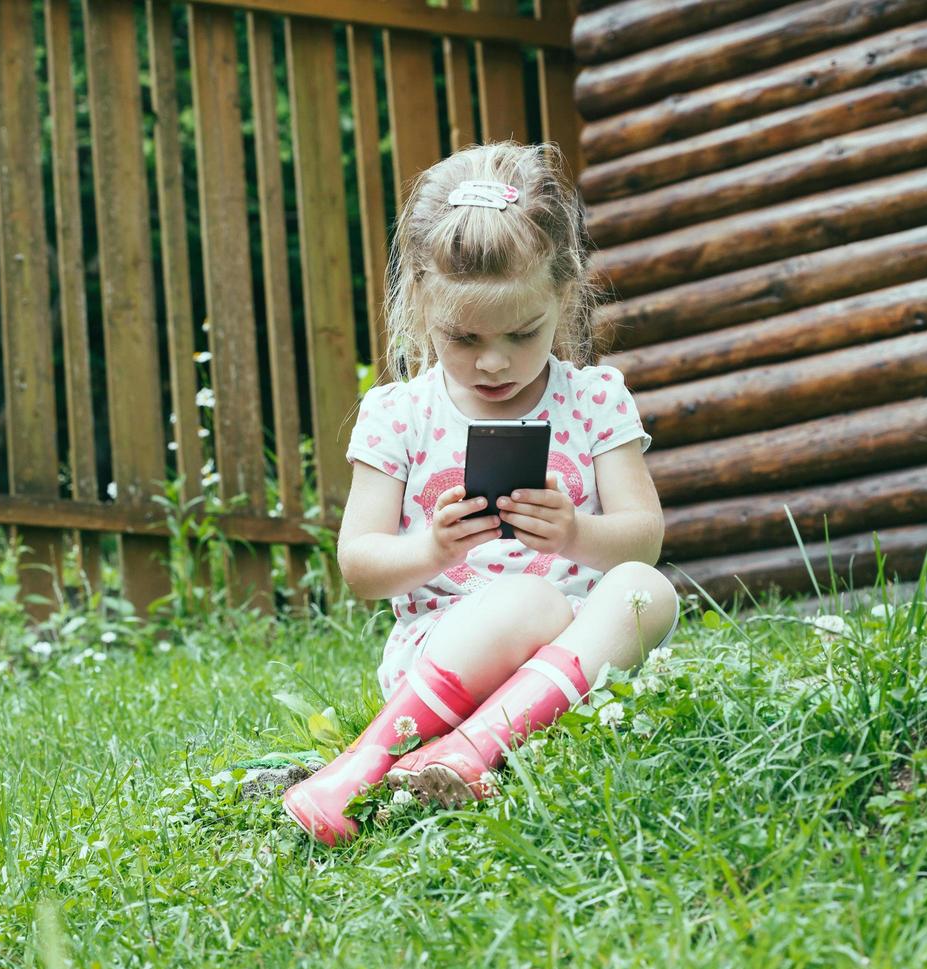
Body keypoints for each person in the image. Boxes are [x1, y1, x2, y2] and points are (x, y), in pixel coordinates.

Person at [283, 141, 681, 846]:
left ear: (565, 296)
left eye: (522, 334)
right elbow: (360, 566)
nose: (493, 361)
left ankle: (467, 754)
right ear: (420, 304)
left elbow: (643, 536)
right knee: (531, 599)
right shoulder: (399, 413)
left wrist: (575, 536)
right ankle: (371, 759)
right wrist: (431, 547)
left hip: (576, 652)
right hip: (448, 657)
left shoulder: (593, 400)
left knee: (648, 591)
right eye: (463, 337)